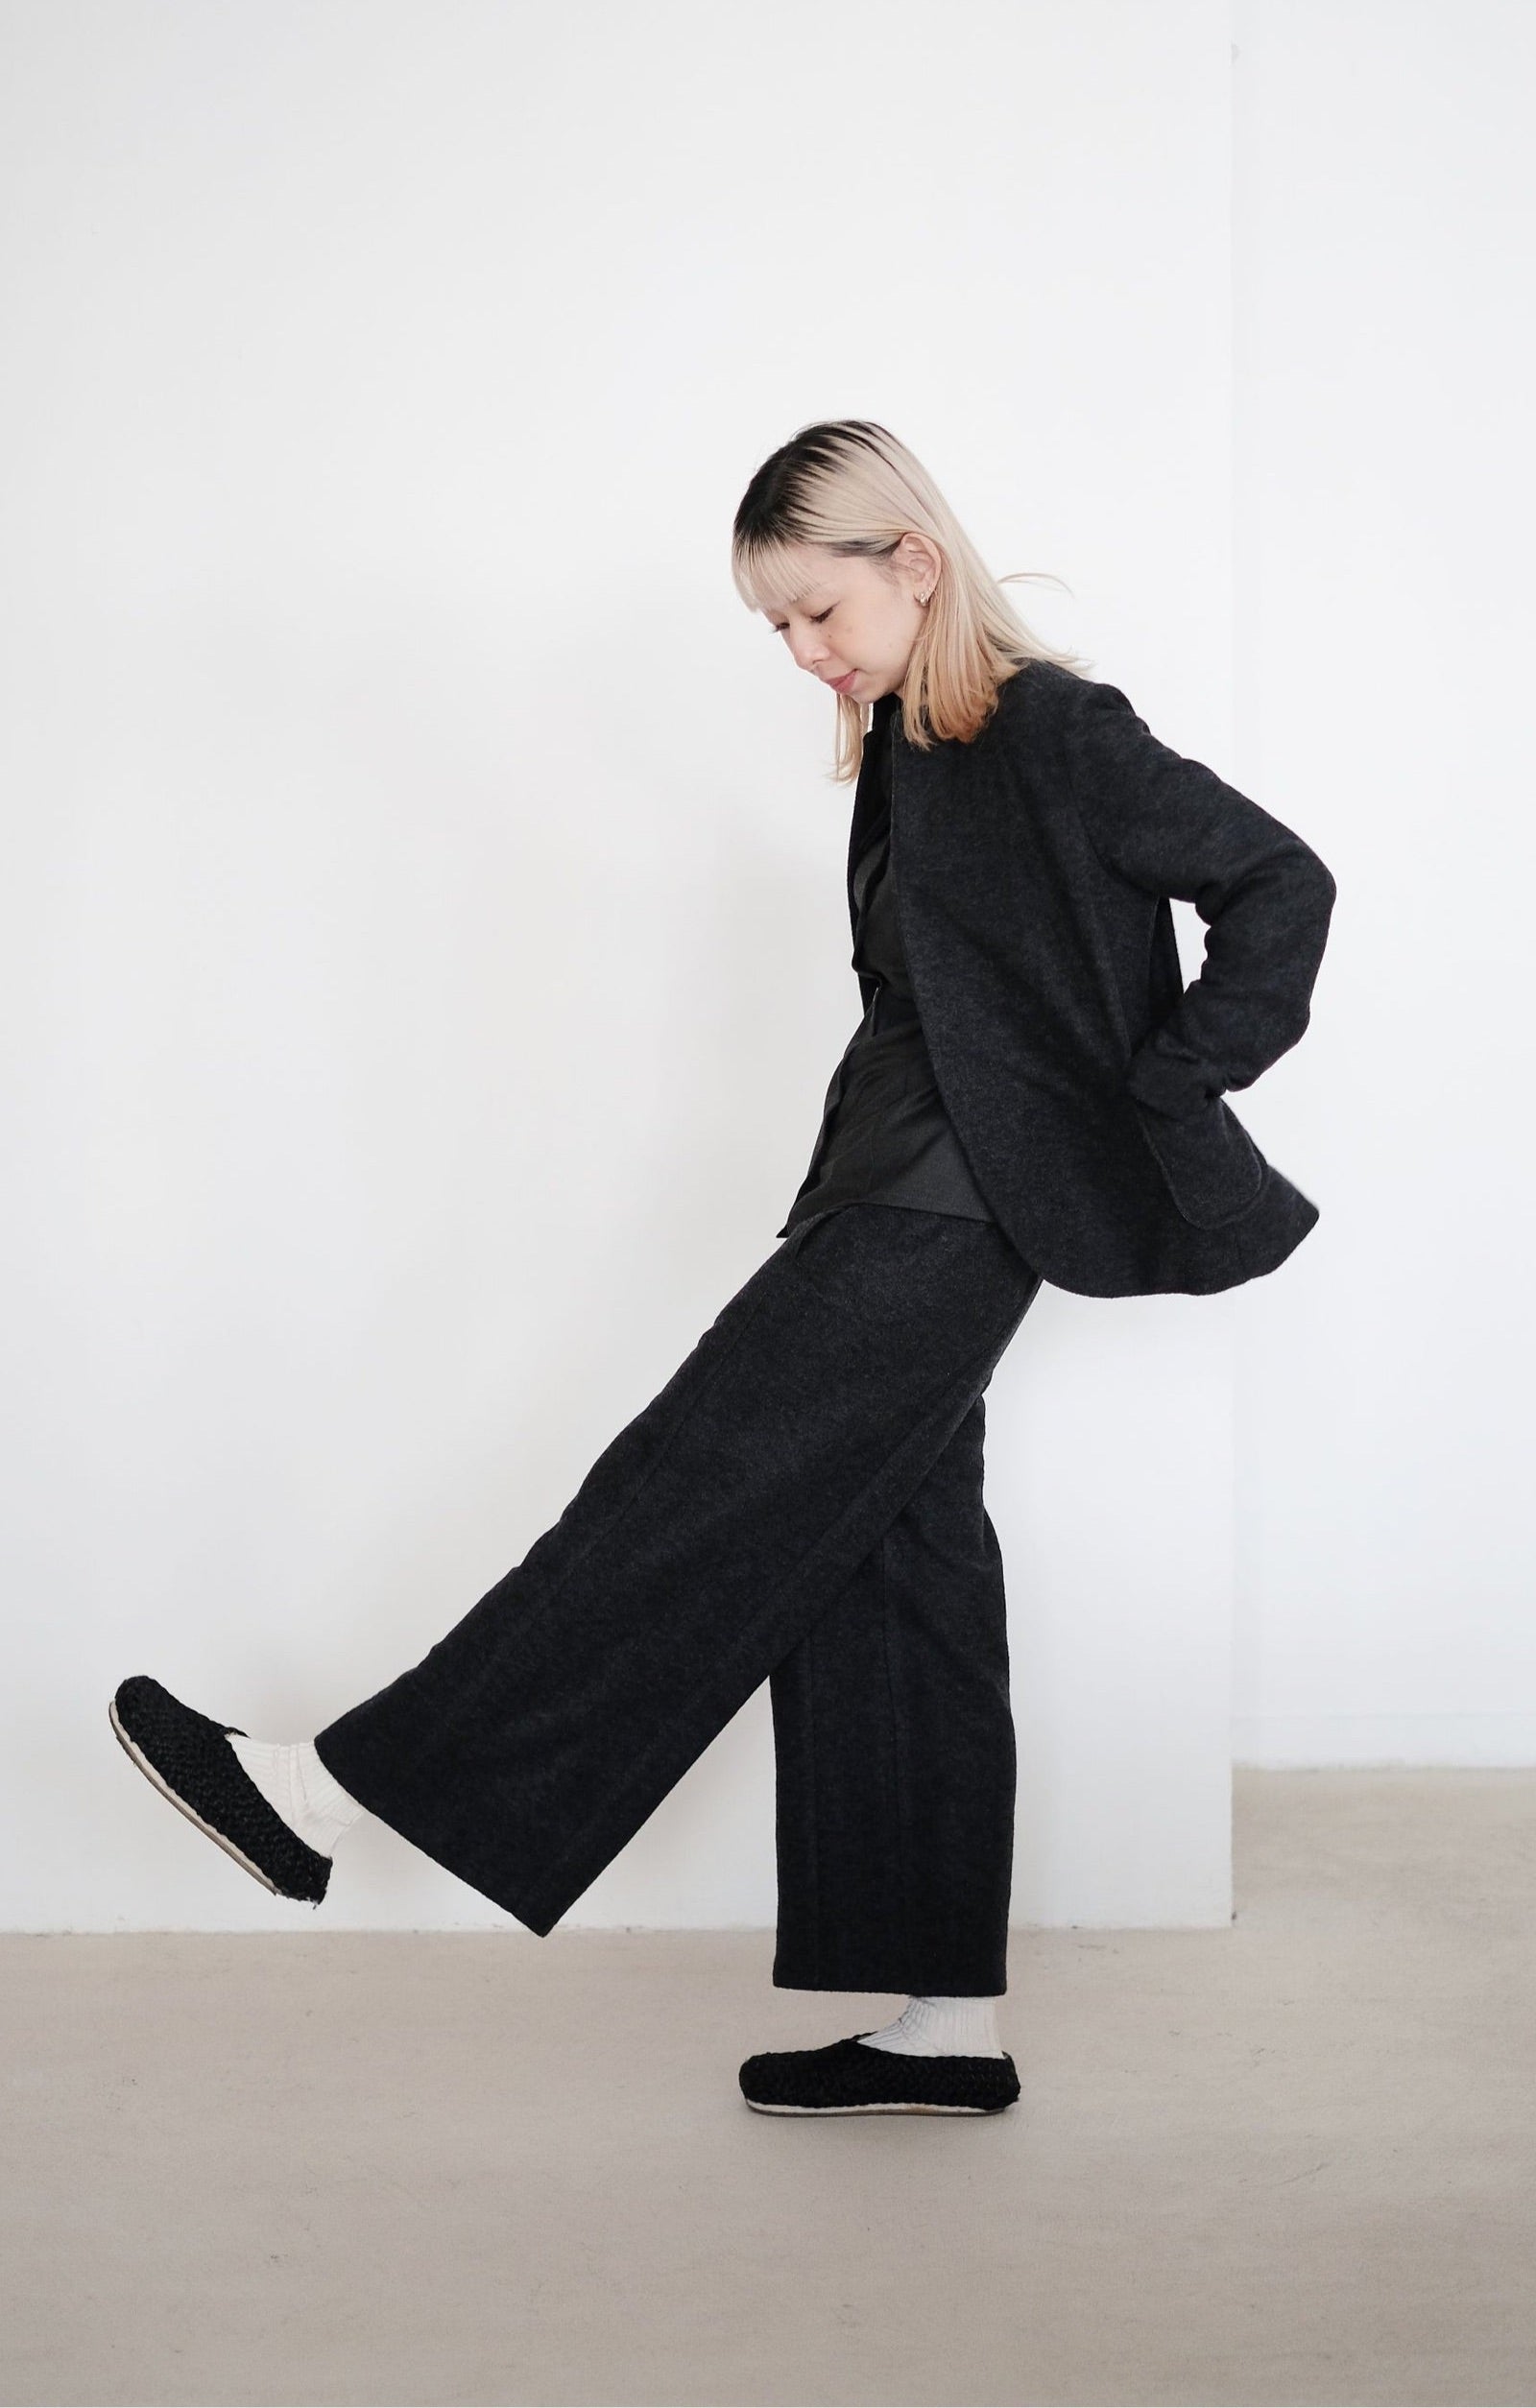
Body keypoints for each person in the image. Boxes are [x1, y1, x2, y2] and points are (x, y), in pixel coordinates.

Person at [108, 418, 1337, 2119]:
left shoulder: (1052, 728)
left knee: (690, 1483)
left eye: (818, 609)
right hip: (886, 1193)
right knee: (894, 1574)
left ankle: (335, 1790)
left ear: (913, 561)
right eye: (776, 626)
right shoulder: (914, 746)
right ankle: (947, 2027)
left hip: (949, 1212)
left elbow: (1277, 879)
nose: (802, 651)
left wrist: (1167, 1080)